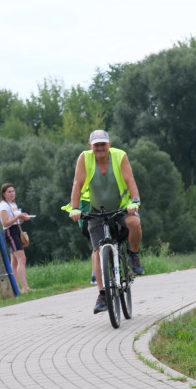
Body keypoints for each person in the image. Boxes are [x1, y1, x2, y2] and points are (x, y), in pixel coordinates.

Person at [64, 130, 144, 314]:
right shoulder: (84, 158)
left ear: (109, 144)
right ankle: (102, 294)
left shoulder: (120, 156)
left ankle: (133, 255)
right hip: (95, 212)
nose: (100, 147)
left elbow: (129, 179)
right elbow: (77, 183)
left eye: (103, 144)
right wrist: (75, 208)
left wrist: (135, 201)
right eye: (96, 144)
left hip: (121, 208)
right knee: (98, 251)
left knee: (135, 224)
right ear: (90, 146)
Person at [0, 182, 32, 293]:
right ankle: (25, 287)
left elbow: (16, 221)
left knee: (15, 262)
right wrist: (18, 216)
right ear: (3, 194)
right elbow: (5, 223)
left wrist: (22, 218)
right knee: (22, 259)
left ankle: (16, 288)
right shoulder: (3, 206)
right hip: (10, 232)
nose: (12, 193)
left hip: (16, 230)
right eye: (9, 192)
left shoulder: (13, 204)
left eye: (13, 191)